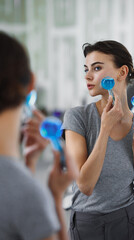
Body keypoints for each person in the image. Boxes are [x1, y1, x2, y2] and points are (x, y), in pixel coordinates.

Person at [62, 40, 134, 240]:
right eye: (86, 69)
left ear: (122, 73)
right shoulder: (77, 118)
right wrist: (105, 128)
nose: (87, 76)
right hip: (88, 225)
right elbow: (85, 186)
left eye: (96, 68)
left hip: (132, 222)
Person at [0, 31, 78, 240]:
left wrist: (28, 166)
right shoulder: (27, 194)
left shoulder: (22, 187)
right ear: (31, 84)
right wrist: (54, 195)